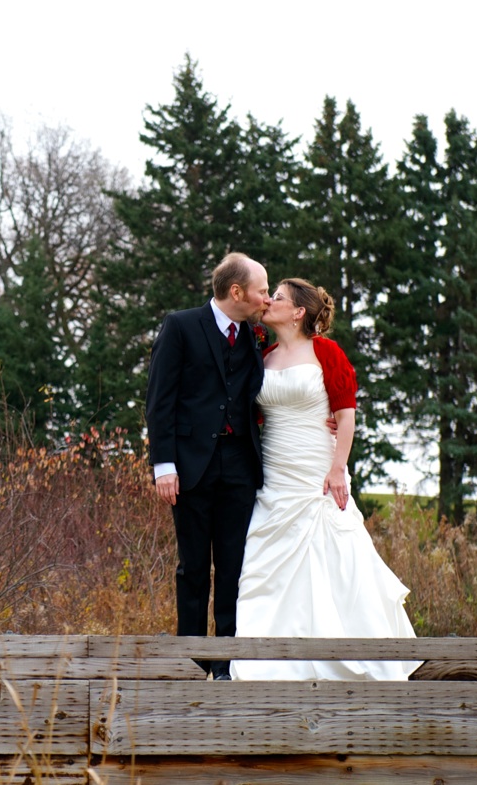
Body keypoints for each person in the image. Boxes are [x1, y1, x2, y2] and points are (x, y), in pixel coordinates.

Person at [229, 277, 421, 682]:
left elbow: (346, 413)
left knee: (335, 558)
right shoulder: (263, 356)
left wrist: (338, 467)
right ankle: (266, 668)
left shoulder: (326, 352)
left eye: (277, 297)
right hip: (276, 475)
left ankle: (353, 659)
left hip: (317, 472)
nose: (268, 301)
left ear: (299, 311)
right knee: (264, 568)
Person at [146, 253, 270, 679]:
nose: (267, 299)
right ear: (236, 292)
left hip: (240, 466)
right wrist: (164, 466)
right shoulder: (180, 326)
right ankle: (191, 662)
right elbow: (159, 400)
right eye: (262, 290)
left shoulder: (254, 335)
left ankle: (226, 664)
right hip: (190, 468)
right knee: (193, 567)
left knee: (235, 567)